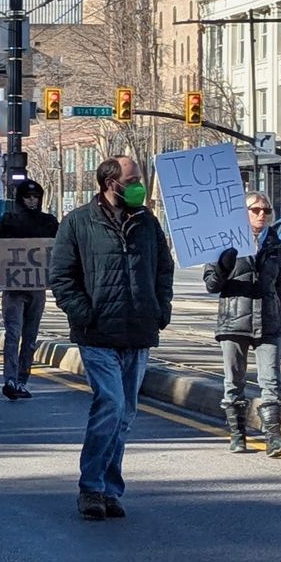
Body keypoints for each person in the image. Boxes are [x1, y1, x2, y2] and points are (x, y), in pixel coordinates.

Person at [49, 156, 174, 521]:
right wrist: (85, 313)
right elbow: (62, 277)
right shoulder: (77, 222)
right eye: (133, 179)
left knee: (125, 414)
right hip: (98, 334)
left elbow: (163, 270)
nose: (140, 185)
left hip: (138, 332)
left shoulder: (148, 223)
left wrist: (160, 308)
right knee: (111, 405)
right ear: (110, 182)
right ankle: (91, 487)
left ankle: (109, 489)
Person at [205, 191, 281, 456]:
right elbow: (212, 284)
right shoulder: (224, 241)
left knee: (272, 382)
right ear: (243, 213)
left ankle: (273, 437)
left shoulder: (276, 245)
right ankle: (237, 434)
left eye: (266, 211)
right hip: (234, 321)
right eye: (255, 210)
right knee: (234, 381)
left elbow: (280, 290)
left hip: (268, 321)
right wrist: (223, 264)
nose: (261, 215)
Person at [0, 181, 60, 400]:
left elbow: (60, 249)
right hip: (13, 287)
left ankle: (21, 379)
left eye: (35, 197)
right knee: (13, 333)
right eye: (28, 197)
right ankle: (10, 378)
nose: (32, 201)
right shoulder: (8, 221)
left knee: (30, 337)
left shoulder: (48, 222)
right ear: (20, 199)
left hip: (37, 287)